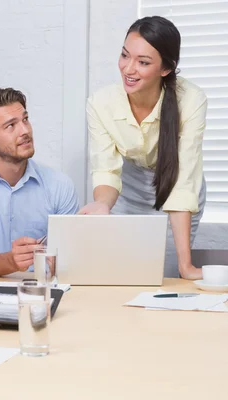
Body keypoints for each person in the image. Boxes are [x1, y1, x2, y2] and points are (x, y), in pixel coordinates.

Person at [80, 16, 208, 279]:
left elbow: (183, 182)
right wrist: (103, 204)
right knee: (125, 274)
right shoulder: (101, 104)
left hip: (176, 186)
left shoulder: (192, 100)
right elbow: (107, 171)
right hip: (129, 190)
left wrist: (186, 266)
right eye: (125, 56)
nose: (128, 69)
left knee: (171, 274)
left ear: (166, 68)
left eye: (143, 62)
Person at [0, 88, 79, 280]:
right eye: (11, 125)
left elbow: (70, 258)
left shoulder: (59, 185)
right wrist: (10, 261)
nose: (25, 131)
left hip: (42, 291)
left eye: (25, 120)